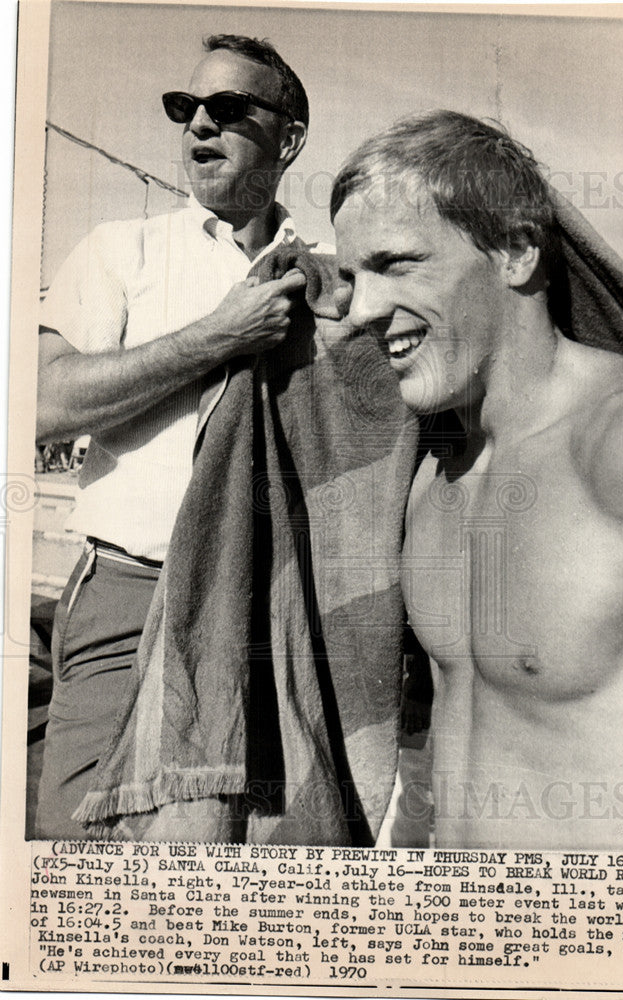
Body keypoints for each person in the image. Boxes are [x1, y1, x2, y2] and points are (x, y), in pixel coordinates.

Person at [331, 111, 623, 851]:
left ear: (513, 250)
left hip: (622, 947)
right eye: (352, 277)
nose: (362, 309)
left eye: (396, 263)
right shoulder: (435, 472)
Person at [34, 34, 324, 839]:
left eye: (227, 109)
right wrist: (216, 336)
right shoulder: (121, 250)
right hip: (131, 590)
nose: (198, 124)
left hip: (272, 608)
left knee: (252, 845)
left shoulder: (330, 277)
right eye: (183, 108)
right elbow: (40, 405)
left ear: (289, 137)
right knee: (79, 846)